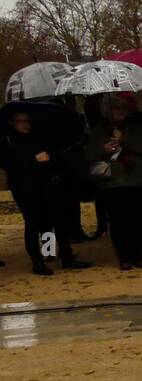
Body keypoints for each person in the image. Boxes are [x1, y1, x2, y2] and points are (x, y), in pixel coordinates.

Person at [3, 106, 90, 274]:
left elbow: (53, 155)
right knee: (34, 223)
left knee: (56, 220)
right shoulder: (9, 141)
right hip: (25, 189)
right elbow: (10, 165)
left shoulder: (39, 136)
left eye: (27, 121)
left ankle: (63, 255)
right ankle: (38, 261)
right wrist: (33, 160)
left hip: (47, 184)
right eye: (21, 121)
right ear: (13, 123)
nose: (25, 124)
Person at [84, 94, 142, 270]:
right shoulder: (99, 130)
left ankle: (137, 254)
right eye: (116, 109)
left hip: (135, 179)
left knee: (137, 219)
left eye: (123, 109)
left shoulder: (135, 126)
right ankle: (124, 256)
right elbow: (89, 155)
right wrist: (104, 149)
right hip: (112, 182)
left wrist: (124, 140)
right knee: (118, 221)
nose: (120, 112)